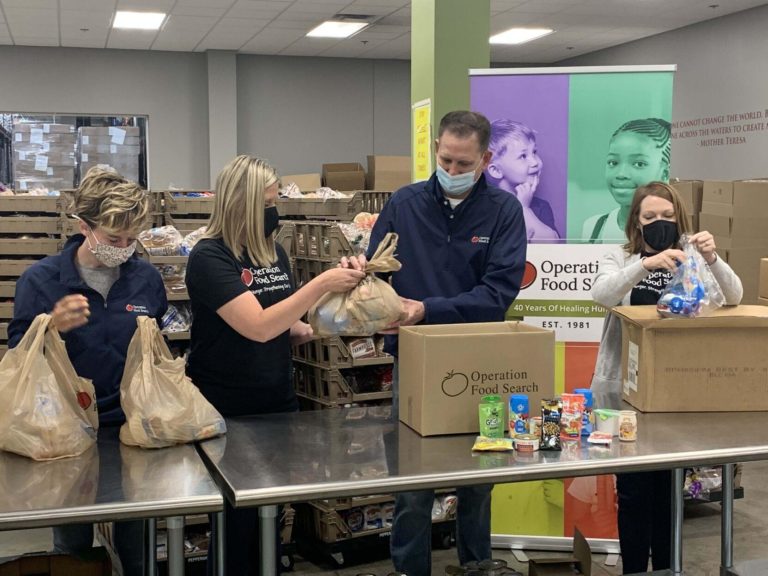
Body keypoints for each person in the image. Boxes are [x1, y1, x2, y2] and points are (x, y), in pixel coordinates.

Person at [346, 110, 528, 576]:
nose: (451, 172)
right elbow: (377, 270)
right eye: (444, 160)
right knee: (411, 481)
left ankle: (477, 565)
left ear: (486, 159)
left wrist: (426, 309)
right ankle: (410, 569)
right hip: (416, 360)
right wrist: (367, 289)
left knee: (478, 479)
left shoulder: (504, 211)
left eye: (463, 164)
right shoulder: (404, 204)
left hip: (480, 362)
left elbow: (498, 292)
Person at [184, 155, 365, 575]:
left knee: (270, 514)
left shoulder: (273, 254)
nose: (275, 209)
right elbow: (260, 326)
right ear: (244, 204)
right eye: (269, 200)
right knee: (235, 520)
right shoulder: (210, 259)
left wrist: (339, 309)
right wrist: (322, 284)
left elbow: (287, 325)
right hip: (226, 408)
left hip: (277, 400)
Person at [8, 167, 167, 576]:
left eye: (133, 239)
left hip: (132, 431)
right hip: (66, 435)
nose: (124, 248)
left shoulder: (145, 279)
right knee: (74, 547)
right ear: (84, 226)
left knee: (139, 545)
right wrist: (50, 327)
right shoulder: (41, 281)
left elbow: (156, 349)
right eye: (114, 239)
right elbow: (18, 359)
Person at [589, 181, 743, 573]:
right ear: (636, 223)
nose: (660, 223)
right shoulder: (620, 258)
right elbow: (602, 294)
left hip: (674, 396)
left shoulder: (694, 259)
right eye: (650, 217)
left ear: (681, 219)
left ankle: (668, 568)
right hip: (625, 396)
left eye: (668, 216)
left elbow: (733, 296)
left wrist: (711, 258)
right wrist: (644, 264)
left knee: (669, 491)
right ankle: (635, 570)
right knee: (634, 490)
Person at [582, 118, 671, 244]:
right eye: (613, 162)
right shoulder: (593, 228)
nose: (621, 174)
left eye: (639, 164)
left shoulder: (674, 231)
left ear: (665, 173)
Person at [486, 118, 559, 240]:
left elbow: (552, 247)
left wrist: (525, 209)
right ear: (496, 171)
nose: (535, 162)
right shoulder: (482, 208)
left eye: (534, 152)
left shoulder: (540, 207)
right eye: (523, 156)